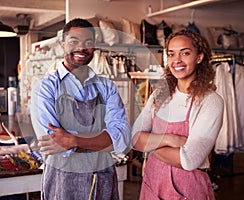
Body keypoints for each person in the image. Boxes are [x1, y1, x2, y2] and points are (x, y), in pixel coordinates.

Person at [30, 18, 131, 200]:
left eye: (88, 43)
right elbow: (53, 143)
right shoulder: (46, 88)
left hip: (102, 180)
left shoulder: (106, 86)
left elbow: (121, 138)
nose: (81, 48)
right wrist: (101, 141)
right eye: (74, 42)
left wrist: (74, 140)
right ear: (63, 45)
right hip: (62, 182)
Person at [132, 29, 224, 199]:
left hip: (187, 188)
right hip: (153, 183)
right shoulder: (160, 94)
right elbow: (133, 138)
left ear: (199, 57)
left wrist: (150, 143)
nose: (177, 60)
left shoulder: (210, 101)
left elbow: (188, 160)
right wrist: (168, 139)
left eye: (185, 53)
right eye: (171, 54)